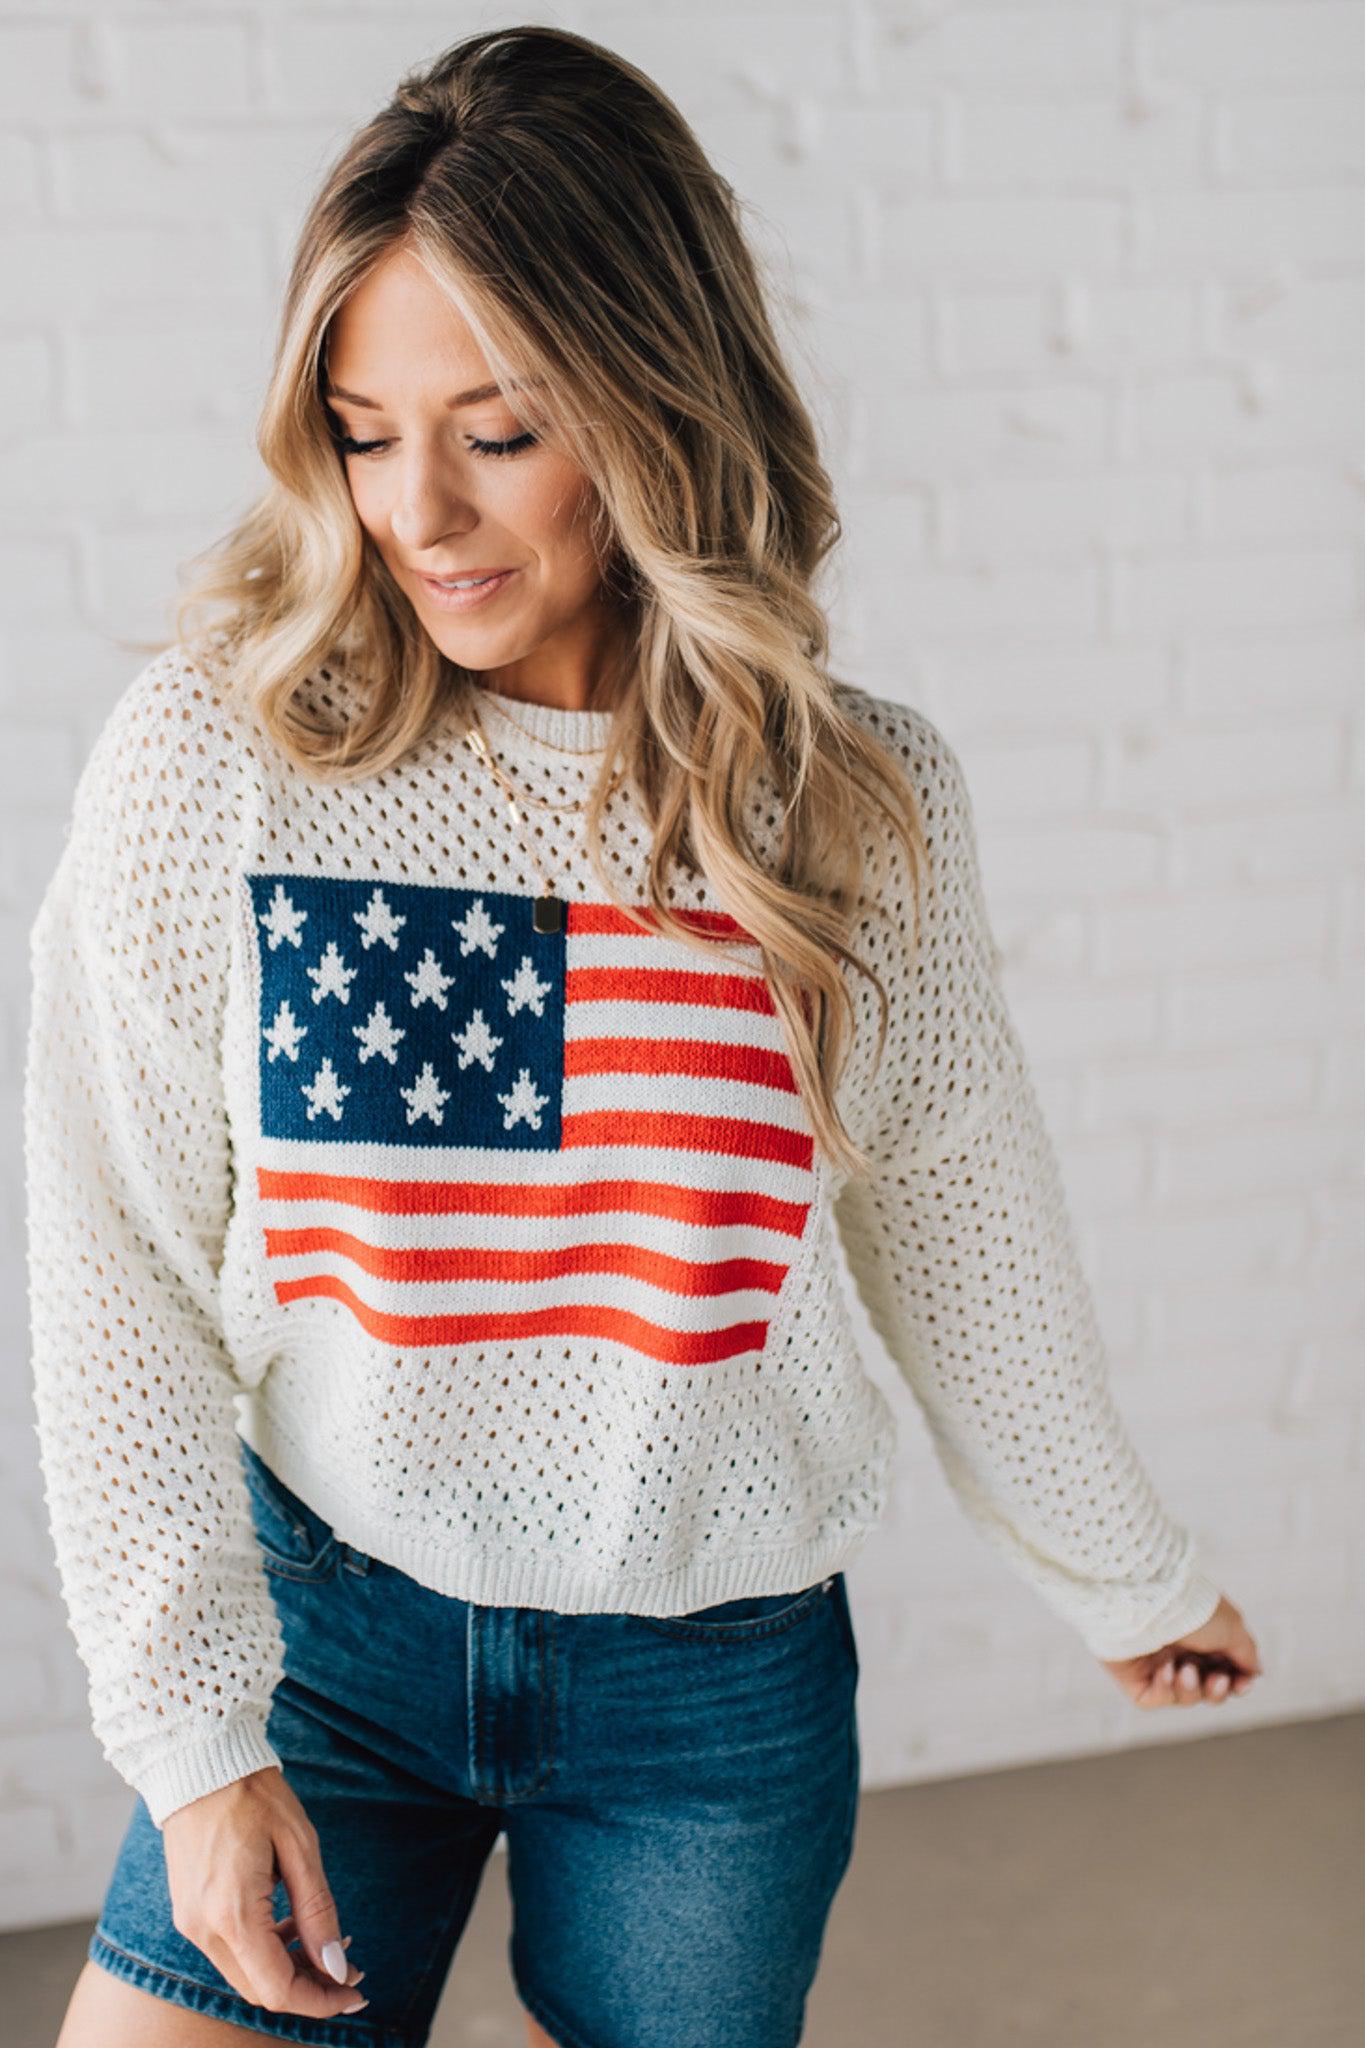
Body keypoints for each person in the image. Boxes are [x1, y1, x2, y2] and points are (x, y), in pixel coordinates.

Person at [25, 25, 1262, 2048]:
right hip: (326, 1637)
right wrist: (185, 1732)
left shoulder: (859, 807)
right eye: (359, 426)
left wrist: (1128, 1577)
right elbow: (112, 1254)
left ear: (651, 398)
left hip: (714, 1685)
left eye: (497, 430)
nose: (415, 509)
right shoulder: (223, 758)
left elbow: (962, 1225)